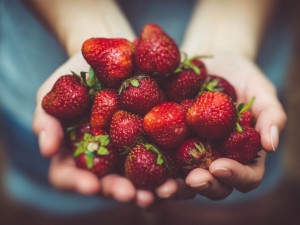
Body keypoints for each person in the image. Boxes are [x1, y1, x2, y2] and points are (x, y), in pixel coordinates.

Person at [0, 0, 288, 218]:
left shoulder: (186, 108)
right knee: (75, 214)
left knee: (224, 213)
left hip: (248, 33)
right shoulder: (137, 108)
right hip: (36, 63)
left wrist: (227, 41)